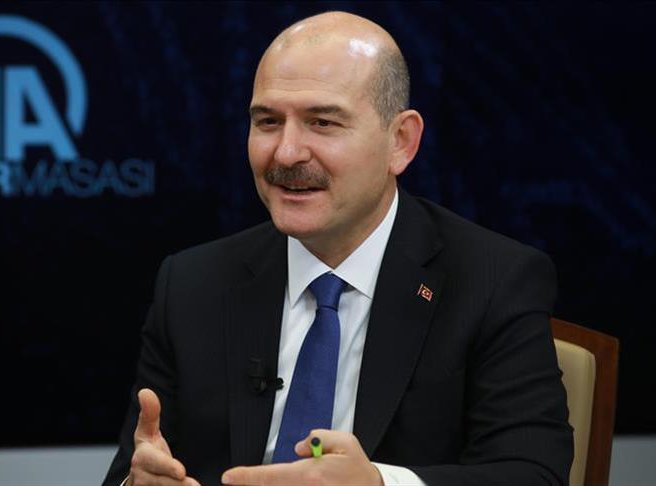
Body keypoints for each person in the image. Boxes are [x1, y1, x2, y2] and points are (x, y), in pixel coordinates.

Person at [104, 11, 572, 486]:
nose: (287, 153)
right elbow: (136, 465)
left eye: (322, 122)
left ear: (401, 142)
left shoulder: (494, 281)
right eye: (268, 121)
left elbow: (532, 474)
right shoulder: (191, 284)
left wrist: (380, 484)